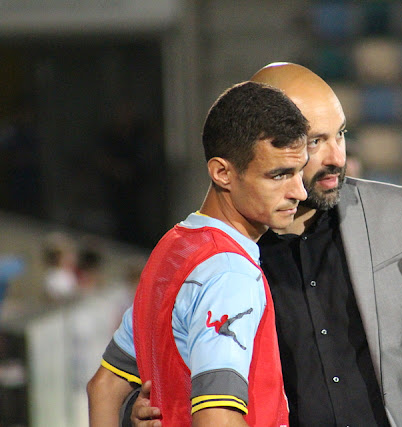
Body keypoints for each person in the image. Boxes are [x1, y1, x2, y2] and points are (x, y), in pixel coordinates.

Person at [101, 63, 402, 427]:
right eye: (314, 141)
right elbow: (133, 382)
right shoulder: (221, 256)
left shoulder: (395, 214)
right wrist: (132, 416)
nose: (337, 156)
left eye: (340, 134)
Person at [86, 81, 310, 426]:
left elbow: (103, 387)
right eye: (278, 175)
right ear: (222, 173)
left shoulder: (172, 249)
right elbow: (216, 417)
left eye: (298, 171)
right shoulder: (230, 274)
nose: (299, 191)